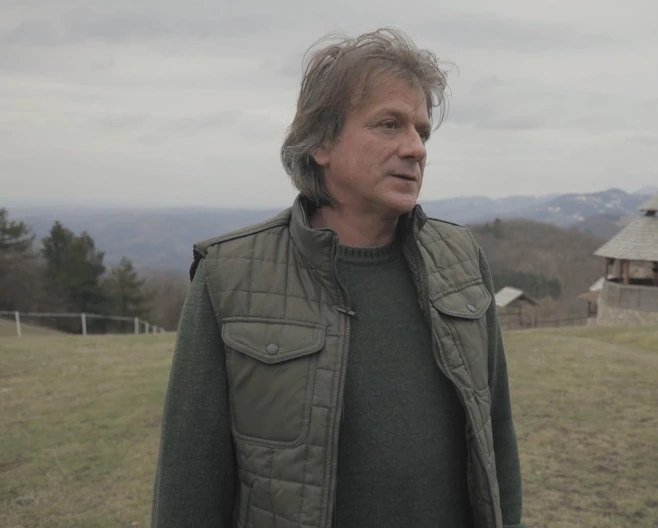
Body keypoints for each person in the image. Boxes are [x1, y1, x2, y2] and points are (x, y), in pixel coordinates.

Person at [150, 27, 525, 528]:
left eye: (422, 131)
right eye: (389, 125)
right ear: (322, 142)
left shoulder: (461, 259)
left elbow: (497, 443)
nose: (416, 149)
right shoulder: (229, 277)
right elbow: (189, 485)